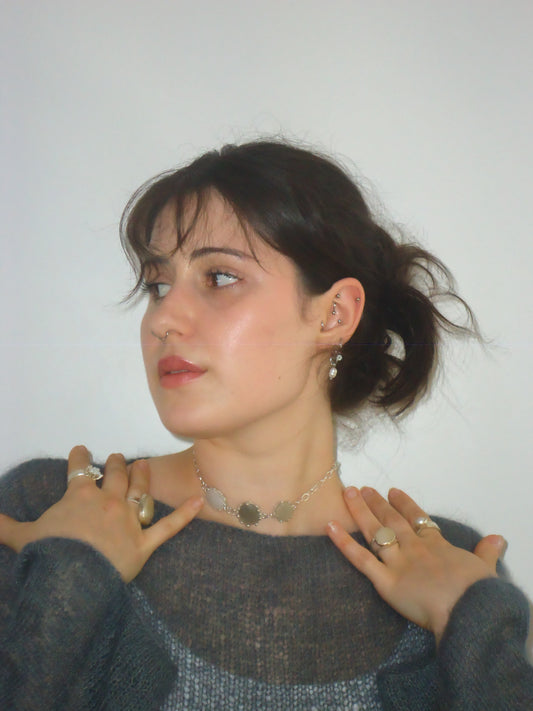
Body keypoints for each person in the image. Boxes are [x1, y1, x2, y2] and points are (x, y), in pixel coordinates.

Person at [0, 140, 531, 711]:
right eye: (158, 285)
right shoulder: (49, 510)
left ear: (333, 315)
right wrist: (71, 575)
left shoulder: (455, 568)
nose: (163, 320)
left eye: (219, 277)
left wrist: (472, 627)